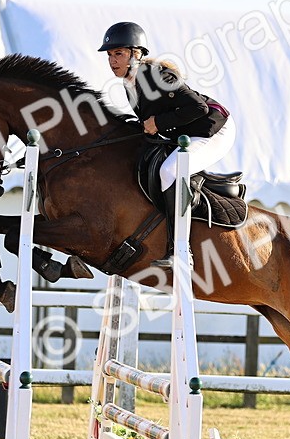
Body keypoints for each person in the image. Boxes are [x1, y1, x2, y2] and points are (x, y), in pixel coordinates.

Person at [99, 22, 236, 267]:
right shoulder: (129, 85)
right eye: (110, 55)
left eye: (118, 53)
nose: (112, 60)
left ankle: (181, 251)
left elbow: (198, 107)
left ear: (136, 53)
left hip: (214, 129)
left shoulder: (157, 76)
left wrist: (159, 123)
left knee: (170, 171)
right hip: (187, 134)